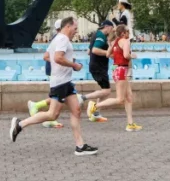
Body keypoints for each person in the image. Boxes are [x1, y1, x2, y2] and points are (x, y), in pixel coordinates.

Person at [10, 17, 98, 156]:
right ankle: (20, 125)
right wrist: (74, 65)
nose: (76, 31)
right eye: (75, 28)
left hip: (65, 82)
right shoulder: (63, 39)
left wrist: (66, 63)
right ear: (68, 26)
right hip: (60, 82)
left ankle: (80, 146)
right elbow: (57, 58)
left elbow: (47, 56)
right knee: (52, 115)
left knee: (76, 110)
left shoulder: (56, 39)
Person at [90, 24, 140, 131]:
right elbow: (126, 55)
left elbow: (108, 55)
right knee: (120, 99)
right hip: (122, 70)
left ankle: (130, 123)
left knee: (129, 97)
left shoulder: (115, 42)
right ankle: (95, 106)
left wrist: (117, 55)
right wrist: (133, 56)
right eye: (127, 32)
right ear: (123, 33)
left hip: (117, 70)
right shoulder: (125, 41)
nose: (129, 34)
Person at [84, 21, 115, 122]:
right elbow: (94, 50)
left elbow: (88, 51)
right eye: (111, 28)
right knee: (107, 90)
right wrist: (108, 53)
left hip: (96, 66)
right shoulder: (101, 36)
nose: (112, 30)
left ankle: (96, 114)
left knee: (104, 91)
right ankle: (85, 99)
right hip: (99, 67)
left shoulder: (95, 34)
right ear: (107, 27)